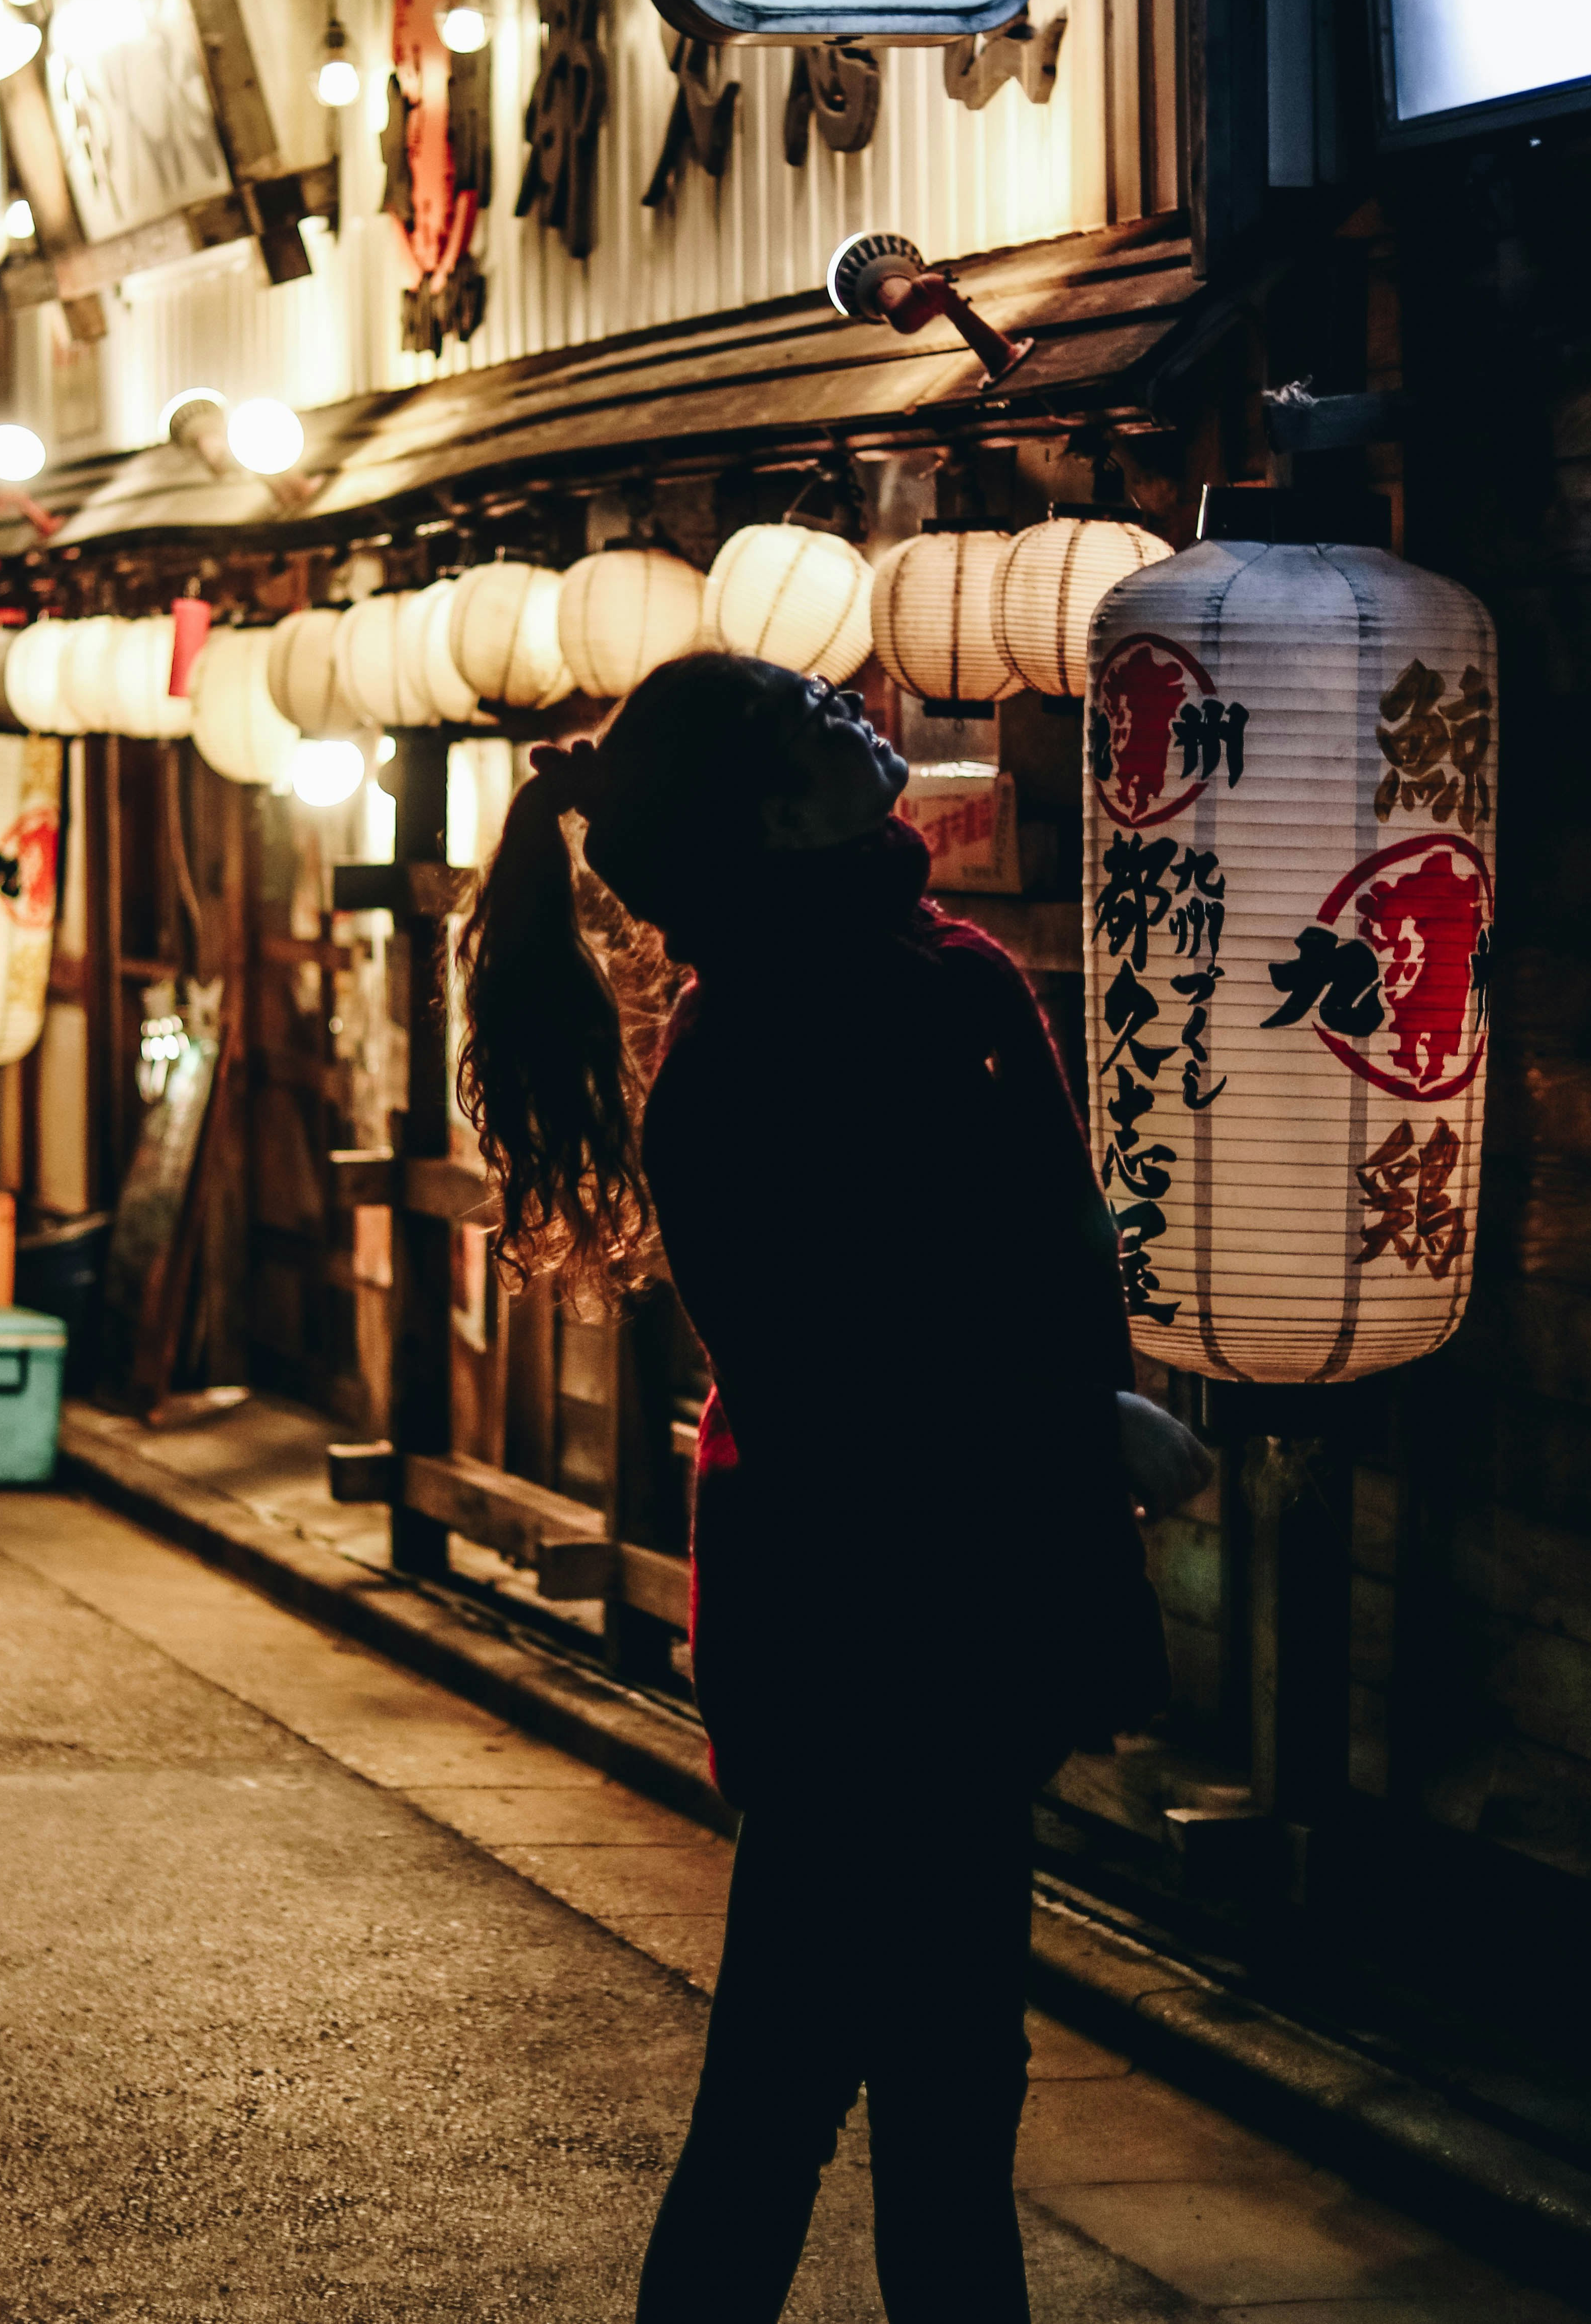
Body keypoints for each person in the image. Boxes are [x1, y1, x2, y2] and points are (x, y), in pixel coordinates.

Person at [459, 650, 1212, 2324]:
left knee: (882, 2094)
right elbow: (857, 1357)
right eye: (821, 721)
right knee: (856, 2103)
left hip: (913, 1621)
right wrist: (1083, 1420)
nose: (864, 718)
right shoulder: (792, 1026)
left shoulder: (891, 973)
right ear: (776, 810)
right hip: (879, 1631)